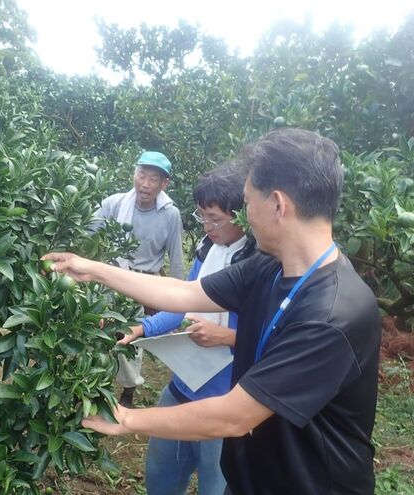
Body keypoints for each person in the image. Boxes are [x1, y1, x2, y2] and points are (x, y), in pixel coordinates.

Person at [45, 128, 381, 495]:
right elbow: (185, 293)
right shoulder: (270, 267)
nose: (245, 214)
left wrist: (127, 419)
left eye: (248, 201)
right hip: (252, 478)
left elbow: (235, 416)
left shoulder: (332, 314)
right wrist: (92, 269)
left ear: (278, 205)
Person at [118, 165, 256, 495]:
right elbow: (182, 301)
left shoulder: (259, 265)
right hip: (184, 387)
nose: (207, 227)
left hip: (226, 401)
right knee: (161, 476)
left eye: (215, 219)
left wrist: (231, 337)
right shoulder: (207, 251)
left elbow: (276, 337)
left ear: (242, 216)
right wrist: (142, 328)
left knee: (216, 484)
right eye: (202, 217)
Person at [90, 151, 184, 407]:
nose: (145, 183)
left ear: (164, 184)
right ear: (134, 173)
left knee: (133, 338)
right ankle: (96, 384)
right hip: (113, 278)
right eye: (141, 175)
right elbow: (86, 230)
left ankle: (129, 389)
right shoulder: (114, 204)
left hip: (144, 285)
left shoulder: (170, 215)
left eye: (153, 179)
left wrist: (179, 299)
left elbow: (176, 258)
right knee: (99, 332)